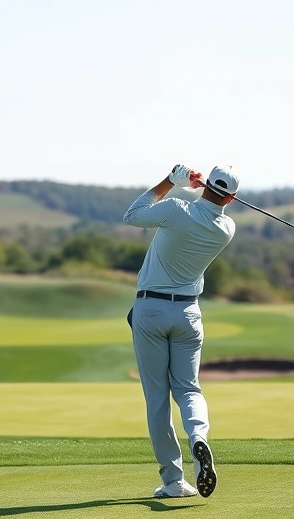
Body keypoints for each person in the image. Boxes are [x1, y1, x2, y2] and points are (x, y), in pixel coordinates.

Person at [123, 164, 239, 498]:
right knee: (189, 389)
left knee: (157, 398)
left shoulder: (176, 208)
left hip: (151, 309)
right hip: (188, 313)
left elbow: (133, 215)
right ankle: (199, 438)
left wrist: (170, 181)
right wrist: (197, 189)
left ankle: (174, 480)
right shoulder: (226, 228)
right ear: (231, 197)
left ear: (206, 186)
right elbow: (210, 205)